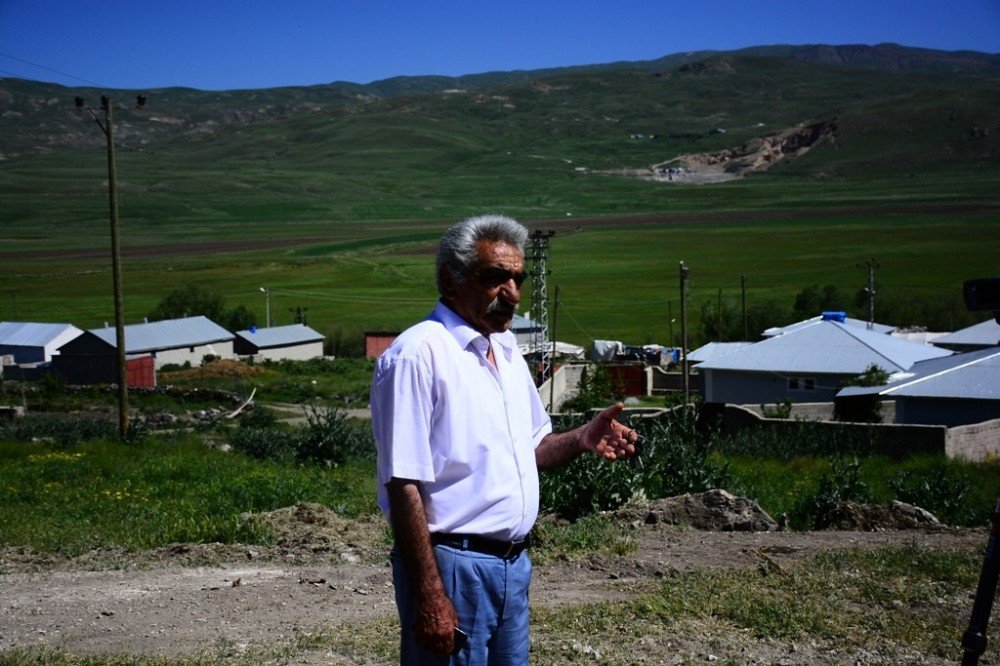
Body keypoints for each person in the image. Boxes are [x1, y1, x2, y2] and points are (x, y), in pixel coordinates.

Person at [371, 214, 639, 664]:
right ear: (449, 279)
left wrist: (580, 438)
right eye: (495, 278)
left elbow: (530, 450)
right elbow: (403, 484)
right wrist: (431, 594)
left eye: (518, 279)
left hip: (513, 566)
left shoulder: (507, 350)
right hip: (453, 565)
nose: (511, 293)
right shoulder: (418, 356)